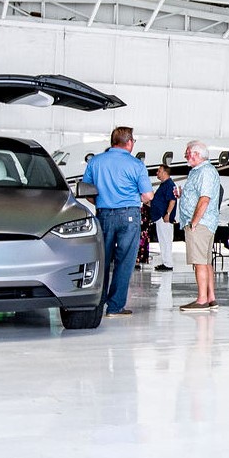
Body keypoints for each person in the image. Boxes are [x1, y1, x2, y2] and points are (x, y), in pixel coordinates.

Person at [81, 127, 153, 317]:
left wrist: (102, 202)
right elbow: (147, 196)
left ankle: (96, 303)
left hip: (104, 215)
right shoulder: (136, 164)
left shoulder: (95, 161)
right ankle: (115, 307)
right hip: (129, 216)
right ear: (129, 142)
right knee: (124, 262)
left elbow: (86, 190)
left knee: (102, 260)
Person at [175, 140, 221, 311]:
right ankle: (210, 298)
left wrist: (194, 222)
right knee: (206, 262)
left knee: (200, 262)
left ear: (196, 154)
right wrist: (183, 195)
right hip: (202, 223)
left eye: (187, 152)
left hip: (200, 224)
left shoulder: (206, 172)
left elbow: (205, 199)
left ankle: (201, 300)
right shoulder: (197, 171)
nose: (185, 155)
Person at [149, 163, 178, 272]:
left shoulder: (169, 185)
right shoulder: (164, 185)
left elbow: (172, 200)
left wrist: (168, 214)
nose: (157, 173)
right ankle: (166, 262)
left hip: (164, 218)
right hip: (159, 217)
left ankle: (168, 263)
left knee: (166, 240)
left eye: (159, 171)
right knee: (163, 240)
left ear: (165, 172)